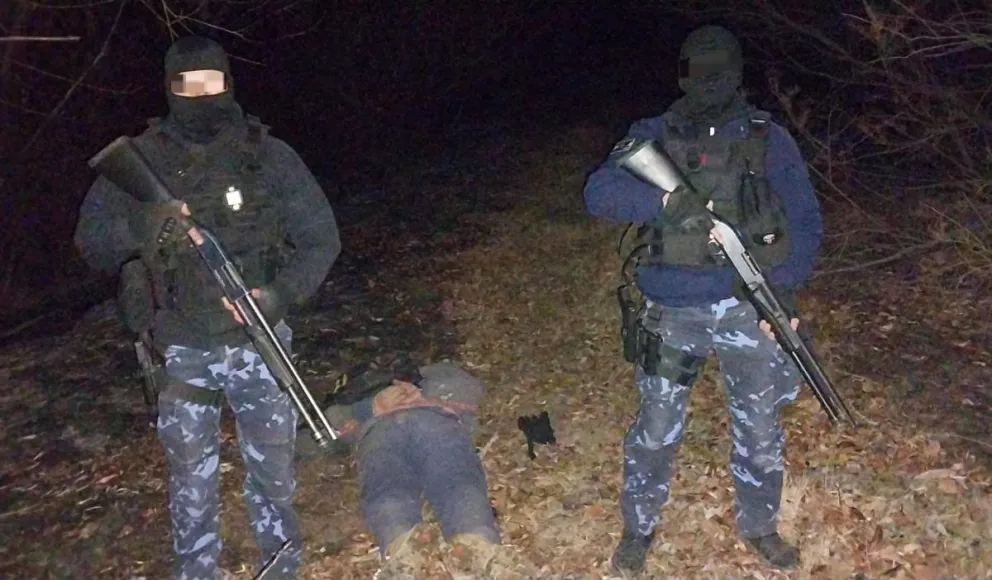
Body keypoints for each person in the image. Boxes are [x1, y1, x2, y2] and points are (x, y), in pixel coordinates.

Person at [74, 35, 341, 580]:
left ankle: (281, 566)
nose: (200, 95)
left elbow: (322, 240)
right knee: (191, 483)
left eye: (211, 83)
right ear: (169, 89)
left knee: (274, 475)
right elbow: (91, 242)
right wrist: (140, 226)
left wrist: (279, 295)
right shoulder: (143, 158)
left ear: (229, 84)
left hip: (259, 342)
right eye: (187, 85)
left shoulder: (268, 155)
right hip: (180, 345)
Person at [583, 25, 823, 575]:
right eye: (700, 69)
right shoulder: (654, 133)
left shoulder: (768, 137)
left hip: (748, 306)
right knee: (656, 425)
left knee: (759, 426)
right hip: (672, 306)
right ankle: (638, 528)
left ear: (737, 73)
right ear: (683, 75)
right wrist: (666, 203)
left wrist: (784, 292)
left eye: (721, 69)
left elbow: (805, 219)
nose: (711, 81)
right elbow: (598, 193)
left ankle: (760, 526)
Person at [319, 362, 537, 580]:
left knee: (455, 480)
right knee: (387, 490)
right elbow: (317, 434)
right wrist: (369, 407)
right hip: (377, 432)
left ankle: (477, 546)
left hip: (434, 417)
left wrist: (421, 391)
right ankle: (404, 554)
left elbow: (467, 386)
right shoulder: (344, 400)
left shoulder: (430, 372)